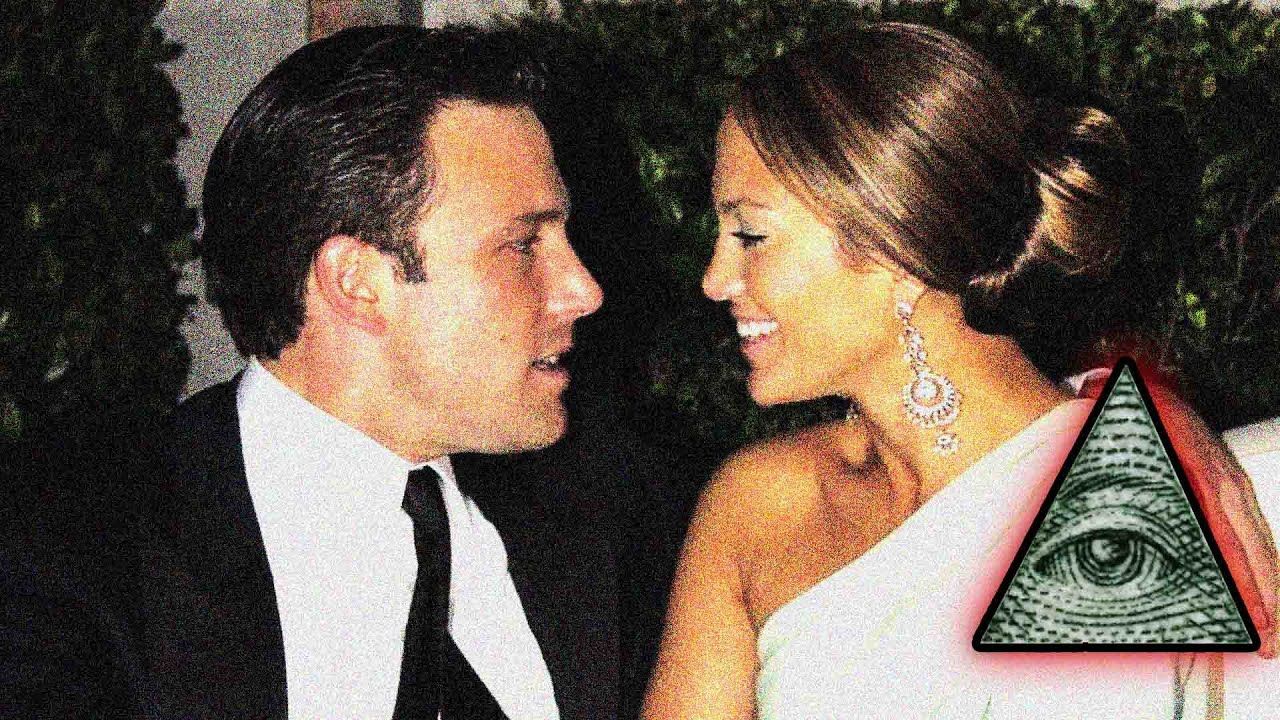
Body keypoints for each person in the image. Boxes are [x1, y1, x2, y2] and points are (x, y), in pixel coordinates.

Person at [643, 22, 1279, 719]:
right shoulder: (757, 503)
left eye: (751, 234)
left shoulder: (1109, 504)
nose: (714, 279)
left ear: (894, 247)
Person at [1, 25, 616, 719]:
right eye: (523, 245)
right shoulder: (68, 556)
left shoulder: (627, 519)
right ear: (356, 282)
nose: (583, 290)